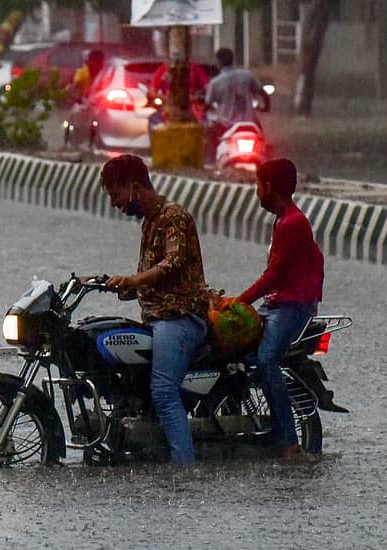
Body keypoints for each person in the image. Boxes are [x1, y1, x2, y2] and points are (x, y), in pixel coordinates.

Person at [100, 155, 214, 466]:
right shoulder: (150, 222)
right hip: (157, 318)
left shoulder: (173, 216)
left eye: (116, 194)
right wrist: (120, 285)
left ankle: (183, 469)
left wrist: (136, 279)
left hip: (181, 318)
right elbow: (154, 276)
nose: (115, 203)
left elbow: (173, 262)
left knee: (164, 391)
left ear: (135, 187)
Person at [236, 158, 323, 460]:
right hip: (279, 302)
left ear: (269, 188)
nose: (256, 191)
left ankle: (289, 440)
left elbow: (272, 275)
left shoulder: (292, 223)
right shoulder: (282, 220)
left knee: (266, 359)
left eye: (258, 185)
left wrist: (239, 302)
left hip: (294, 307)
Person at [203, 47, 269, 160]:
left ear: (218, 62)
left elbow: (207, 105)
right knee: (262, 141)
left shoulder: (215, 82)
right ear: (232, 60)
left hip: (226, 125)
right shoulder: (247, 75)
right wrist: (266, 107)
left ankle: (213, 162)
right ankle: (266, 158)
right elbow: (263, 93)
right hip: (250, 123)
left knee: (209, 137)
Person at [147, 57, 210, 138]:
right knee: (153, 120)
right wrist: (166, 98)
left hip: (191, 107)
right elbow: (152, 91)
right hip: (169, 107)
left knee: (205, 123)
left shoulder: (195, 69)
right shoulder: (162, 69)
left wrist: (194, 97)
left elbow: (208, 88)